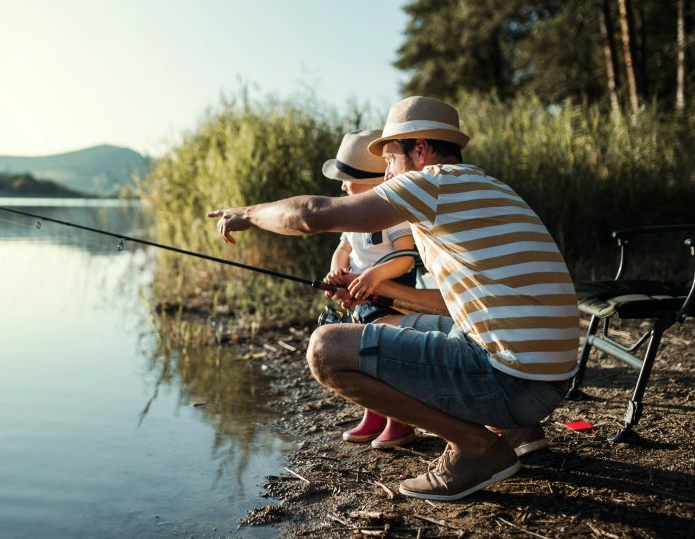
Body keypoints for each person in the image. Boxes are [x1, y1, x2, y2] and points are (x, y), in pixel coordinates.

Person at [207, 96, 579, 501]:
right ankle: (515, 429)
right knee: (390, 323)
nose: (386, 173)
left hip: (514, 384)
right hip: (550, 380)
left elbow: (312, 214)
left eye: (390, 158)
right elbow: (453, 305)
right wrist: (378, 288)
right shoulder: (487, 188)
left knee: (326, 349)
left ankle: (477, 449)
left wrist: (248, 212)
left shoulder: (430, 183)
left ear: (419, 150)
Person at [319, 129, 419, 449]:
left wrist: (375, 276)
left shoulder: (394, 215)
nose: (343, 185)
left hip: (391, 294)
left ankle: (399, 420)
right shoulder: (353, 217)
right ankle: (373, 412)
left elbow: (405, 259)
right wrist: (338, 270)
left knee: (383, 355)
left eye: (349, 178)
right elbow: (343, 250)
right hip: (360, 297)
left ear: (376, 181)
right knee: (362, 354)